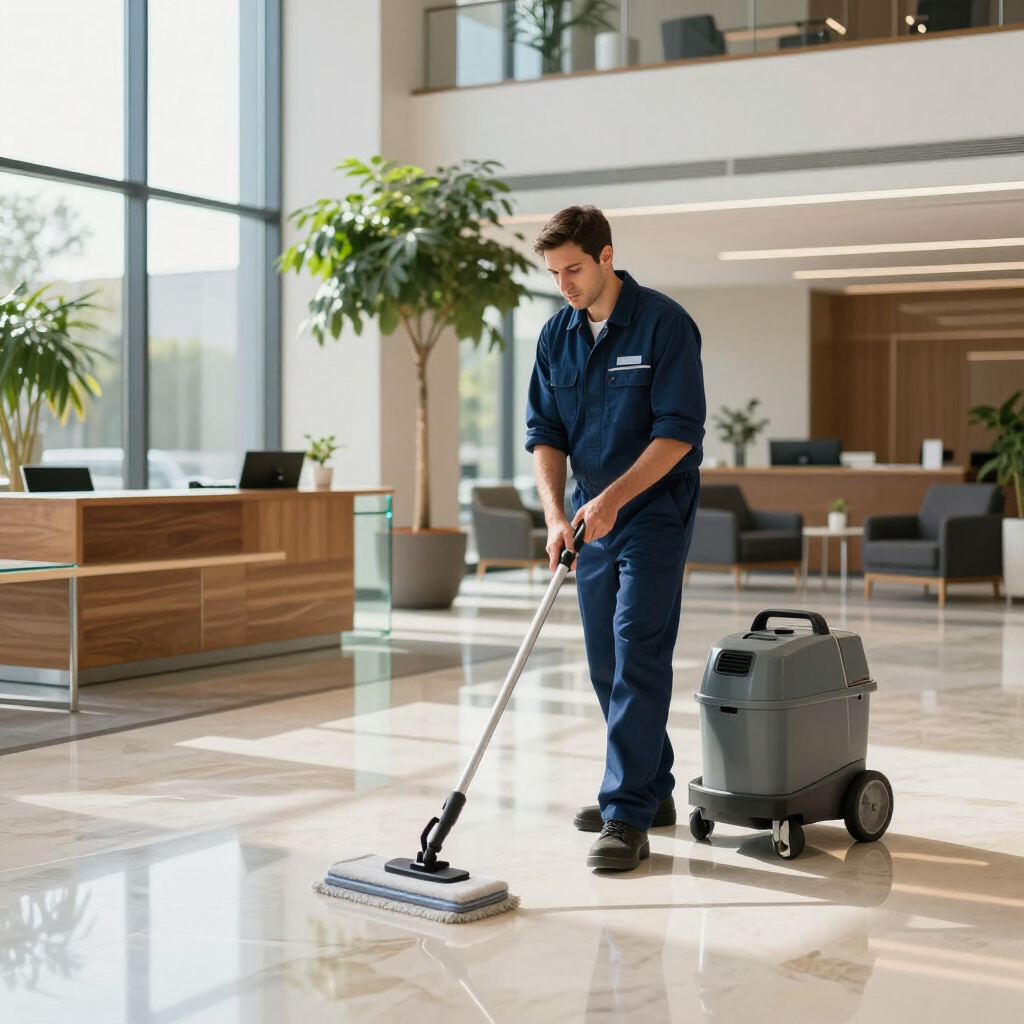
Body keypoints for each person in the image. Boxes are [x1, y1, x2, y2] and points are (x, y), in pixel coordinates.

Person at [525, 205, 706, 871]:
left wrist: (611, 500)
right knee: (604, 659)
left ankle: (626, 814)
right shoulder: (556, 337)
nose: (564, 284)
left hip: (654, 511)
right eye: (553, 273)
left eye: (573, 268)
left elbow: (680, 433)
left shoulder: (664, 325)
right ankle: (651, 786)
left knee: (638, 650)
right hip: (587, 518)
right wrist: (554, 514)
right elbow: (545, 435)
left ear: (606, 256)